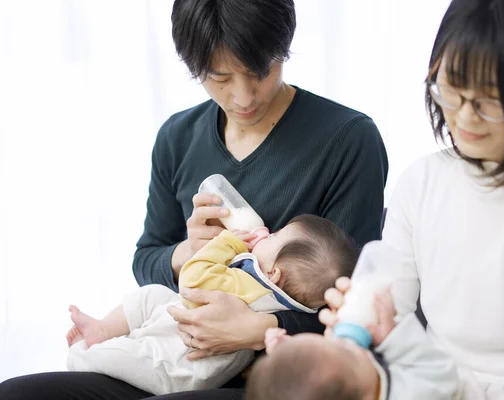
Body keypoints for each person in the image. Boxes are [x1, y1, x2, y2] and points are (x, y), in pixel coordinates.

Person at [0, 0, 387, 399]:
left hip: (277, 375)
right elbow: (146, 258)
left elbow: (358, 304)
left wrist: (260, 329)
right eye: (220, 78)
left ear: (283, 48)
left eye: (260, 71)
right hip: (170, 355)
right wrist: (186, 252)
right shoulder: (178, 138)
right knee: (16, 393)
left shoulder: (347, 139)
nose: (243, 97)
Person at [320, 0, 504, 399]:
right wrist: (358, 324)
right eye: (451, 89)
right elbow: (388, 314)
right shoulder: (422, 182)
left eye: (489, 101)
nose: (465, 117)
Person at [66, 215, 358, 396]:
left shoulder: (251, 288)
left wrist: (227, 242)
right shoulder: (287, 302)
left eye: (277, 237)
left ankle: (84, 356)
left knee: (133, 354)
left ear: (274, 274)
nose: (269, 234)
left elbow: (193, 279)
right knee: (152, 294)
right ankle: (104, 329)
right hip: (183, 331)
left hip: (179, 366)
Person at [246, 288, 458, 400]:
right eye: (345, 349)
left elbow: (307, 378)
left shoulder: (355, 381)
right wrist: (394, 338)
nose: (343, 340)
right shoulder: (416, 393)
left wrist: (287, 352)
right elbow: (441, 371)